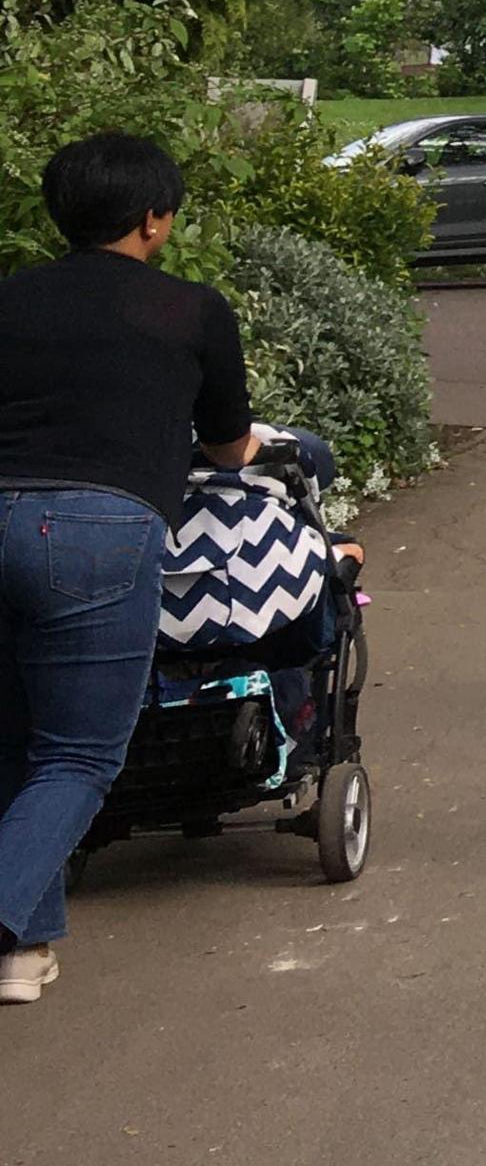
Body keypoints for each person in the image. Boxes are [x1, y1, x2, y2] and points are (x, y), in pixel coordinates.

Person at [0, 134, 264, 1007]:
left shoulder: (10, 299)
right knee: (78, 754)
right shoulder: (188, 310)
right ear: (154, 221)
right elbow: (228, 448)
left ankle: (24, 952)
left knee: (17, 743)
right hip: (95, 532)